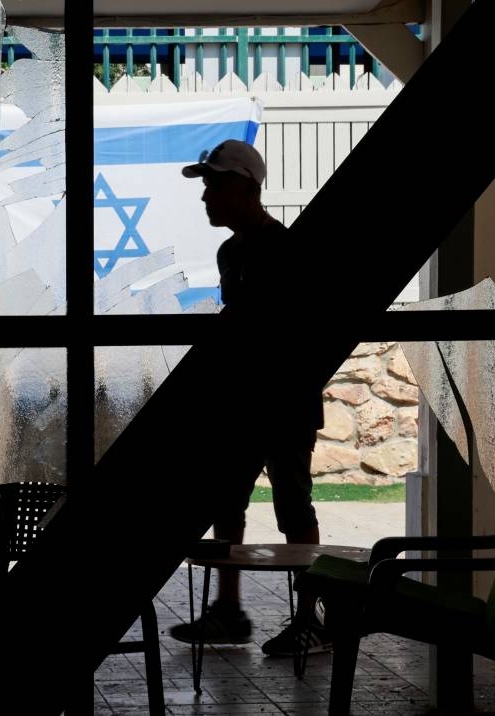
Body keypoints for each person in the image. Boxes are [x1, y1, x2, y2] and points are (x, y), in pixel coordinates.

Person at [167, 139, 328, 658]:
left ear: (243, 187)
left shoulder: (284, 250)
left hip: (282, 404)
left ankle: (310, 620)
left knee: (292, 507)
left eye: (213, 185)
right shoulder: (232, 252)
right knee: (229, 502)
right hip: (245, 404)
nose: (205, 197)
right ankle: (230, 610)